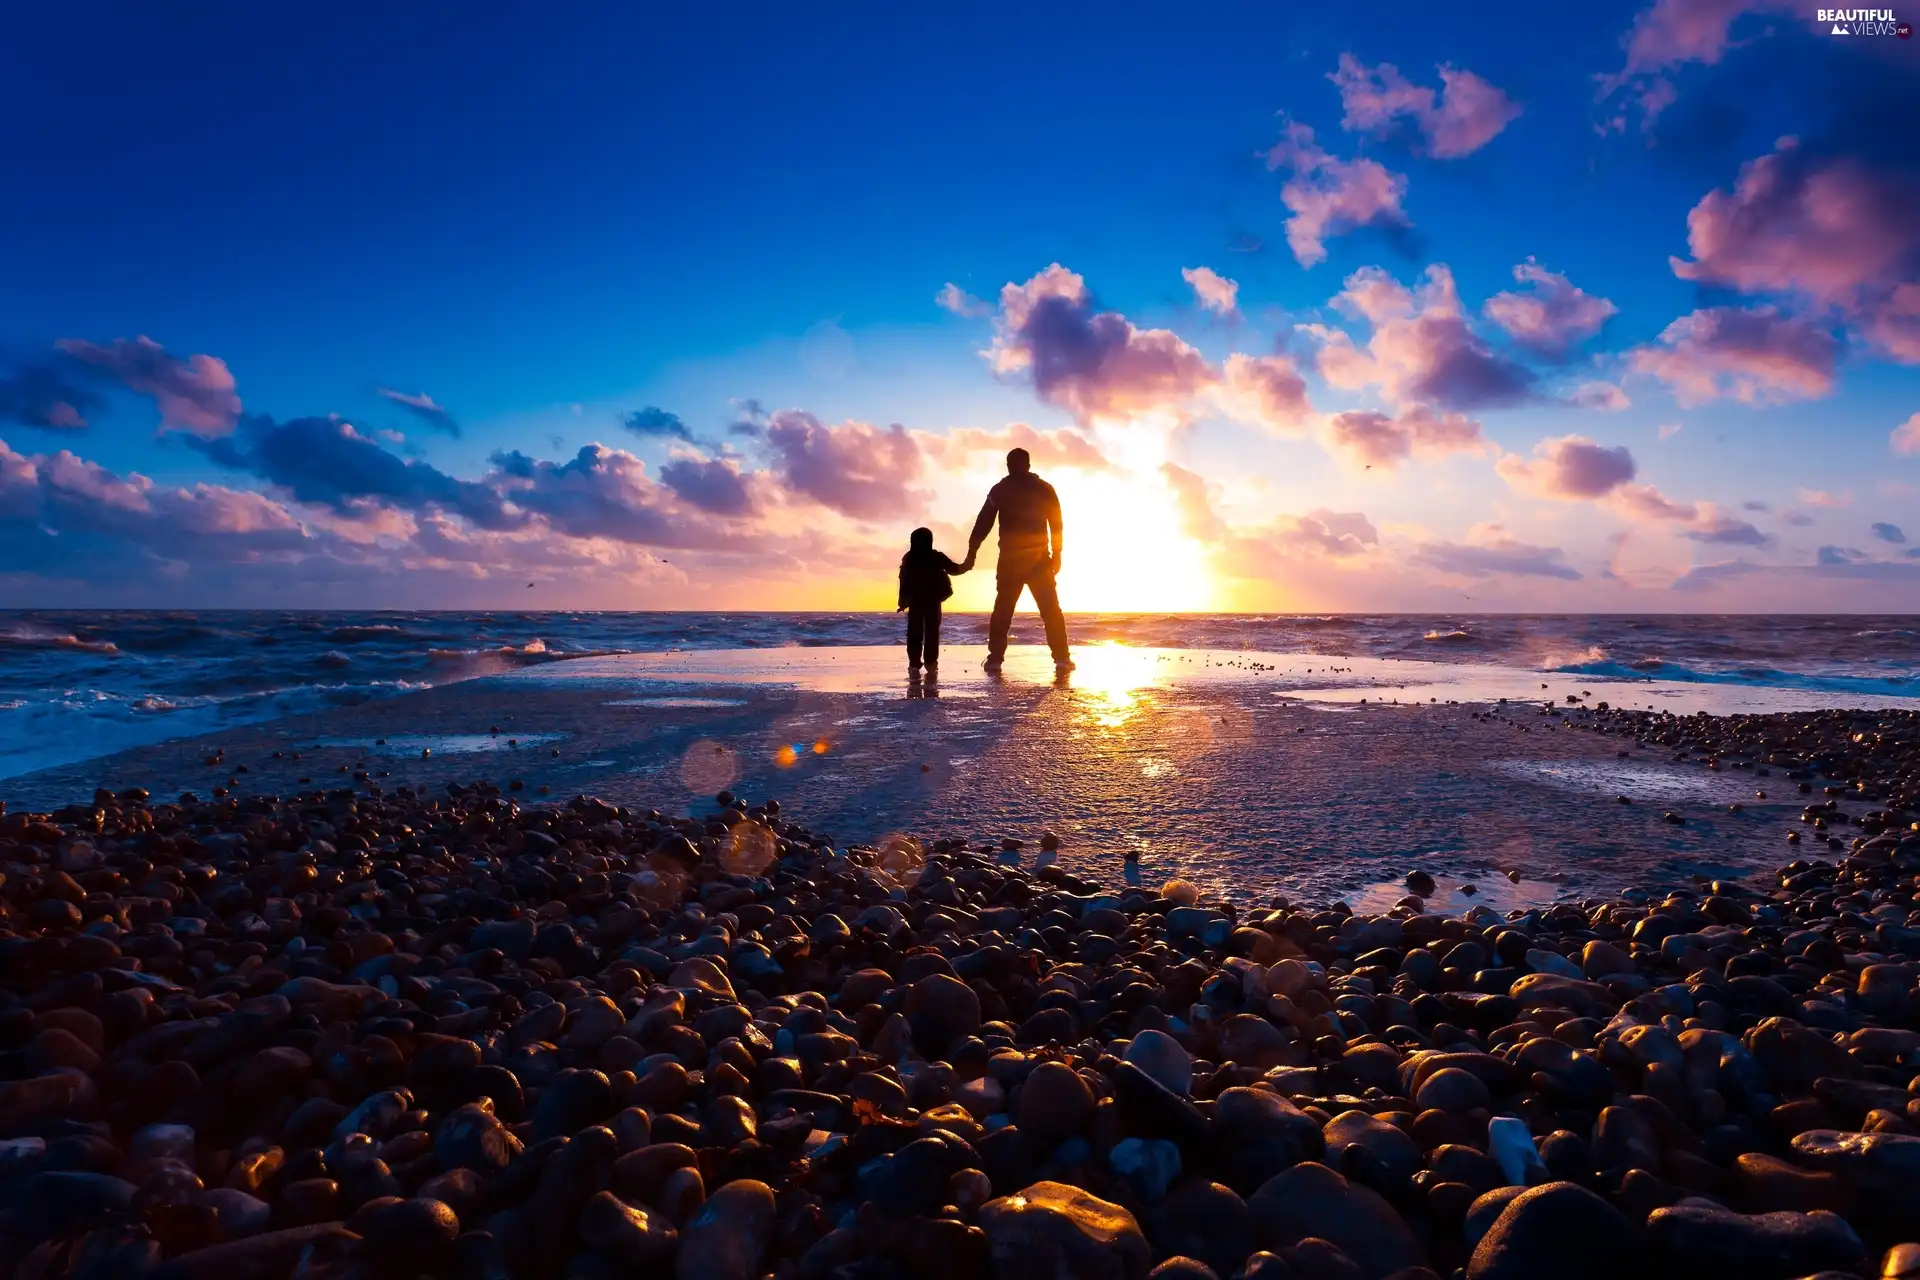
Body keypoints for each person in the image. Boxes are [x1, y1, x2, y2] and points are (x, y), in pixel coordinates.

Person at [964, 447, 1072, 671]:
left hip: (1012, 560)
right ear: (1028, 465)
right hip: (1038, 560)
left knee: (1004, 608)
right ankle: (1061, 658)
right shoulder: (1044, 489)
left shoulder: (1001, 489)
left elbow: (983, 522)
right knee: (1050, 609)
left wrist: (972, 551)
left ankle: (995, 659)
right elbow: (1057, 523)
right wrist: (1058, 553)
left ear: (1009, 466)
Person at [897, 526, 967, 674]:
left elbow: (903, 580)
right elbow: (954, 569)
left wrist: (902, 601)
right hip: (932, 600)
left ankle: (915, 664)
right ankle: (929, 663)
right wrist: (966, 566)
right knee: (931, 633)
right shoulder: (936, 557)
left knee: (916, 633)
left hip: (917, 601)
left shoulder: (909, 557)